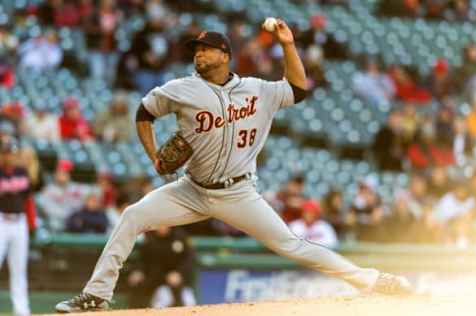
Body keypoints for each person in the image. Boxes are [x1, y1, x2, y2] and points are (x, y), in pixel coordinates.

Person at [55, 21, 412, 313]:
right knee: (132, 216)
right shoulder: (181, 89)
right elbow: (144, 112)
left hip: (239, 192)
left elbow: (299, 90)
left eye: (205, 48)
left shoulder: (258, 90)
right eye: (195, 50)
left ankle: (371, 280)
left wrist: (288, 46)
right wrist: (153, 156)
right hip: (191, 190)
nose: (198, 54)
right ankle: (96, 295)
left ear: (225, 54)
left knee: (292, 244)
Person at [0, 138, 36, 316]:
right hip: (1, 220)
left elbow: (29, 197)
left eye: (13, 153)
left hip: (19, 221)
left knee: (19, 269)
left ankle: (22, 311)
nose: (11, 156)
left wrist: (31, 223)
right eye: (7, 153)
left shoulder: (22, 171)